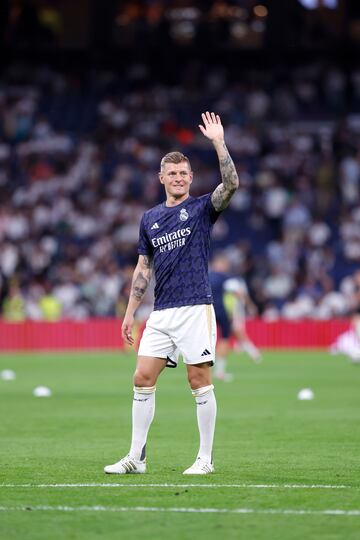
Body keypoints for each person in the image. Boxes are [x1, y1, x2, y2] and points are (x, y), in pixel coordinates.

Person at [104, 111, 239, 475]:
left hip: (196, 307)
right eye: (172, 173)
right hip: (161, 312)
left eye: (184, 173)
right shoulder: (149, 219)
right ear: (161, 177)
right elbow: (143, 268)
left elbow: (231, 186)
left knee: (199, 381)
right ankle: (137, 457)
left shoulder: (200, 209)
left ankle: (205, 460)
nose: (178, 178)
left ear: (191, 178)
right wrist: (130, 312)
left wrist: (218, 143)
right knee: (141, 378)